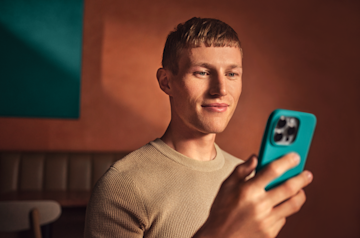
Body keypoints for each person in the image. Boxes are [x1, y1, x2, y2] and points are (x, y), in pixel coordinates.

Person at [84, 17, 313, 238]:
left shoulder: (245, 181)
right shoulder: (122, 186)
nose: (221, 89)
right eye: (202, 72)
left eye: (232, 74)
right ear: (166, 82)